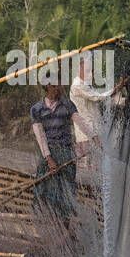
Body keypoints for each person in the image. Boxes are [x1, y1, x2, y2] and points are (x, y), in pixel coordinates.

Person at [30, 76, 99, 235]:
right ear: (48, 87)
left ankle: (66, 229)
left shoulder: (67, 104)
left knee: (67, 192)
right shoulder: (37, 109)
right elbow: (40, 135)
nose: (60, 88)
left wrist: (94, 137)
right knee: (43, 190)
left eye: (60, 84)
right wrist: (49, 158)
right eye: (56, 85)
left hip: (67, 153)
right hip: (48, 154)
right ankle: (46, 227)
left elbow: (80, 122)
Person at [69, 53, 129, 169]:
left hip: (95, 128)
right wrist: (117, 88)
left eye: (91, 71)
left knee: (97, 163)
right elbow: (97, 97)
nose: (91, 74)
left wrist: (123, 100)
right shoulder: (77, 85)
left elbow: (102, 99)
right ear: (78, 71)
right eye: (87, 71)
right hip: (86, 132)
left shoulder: (87, 85)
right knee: (91, 164)